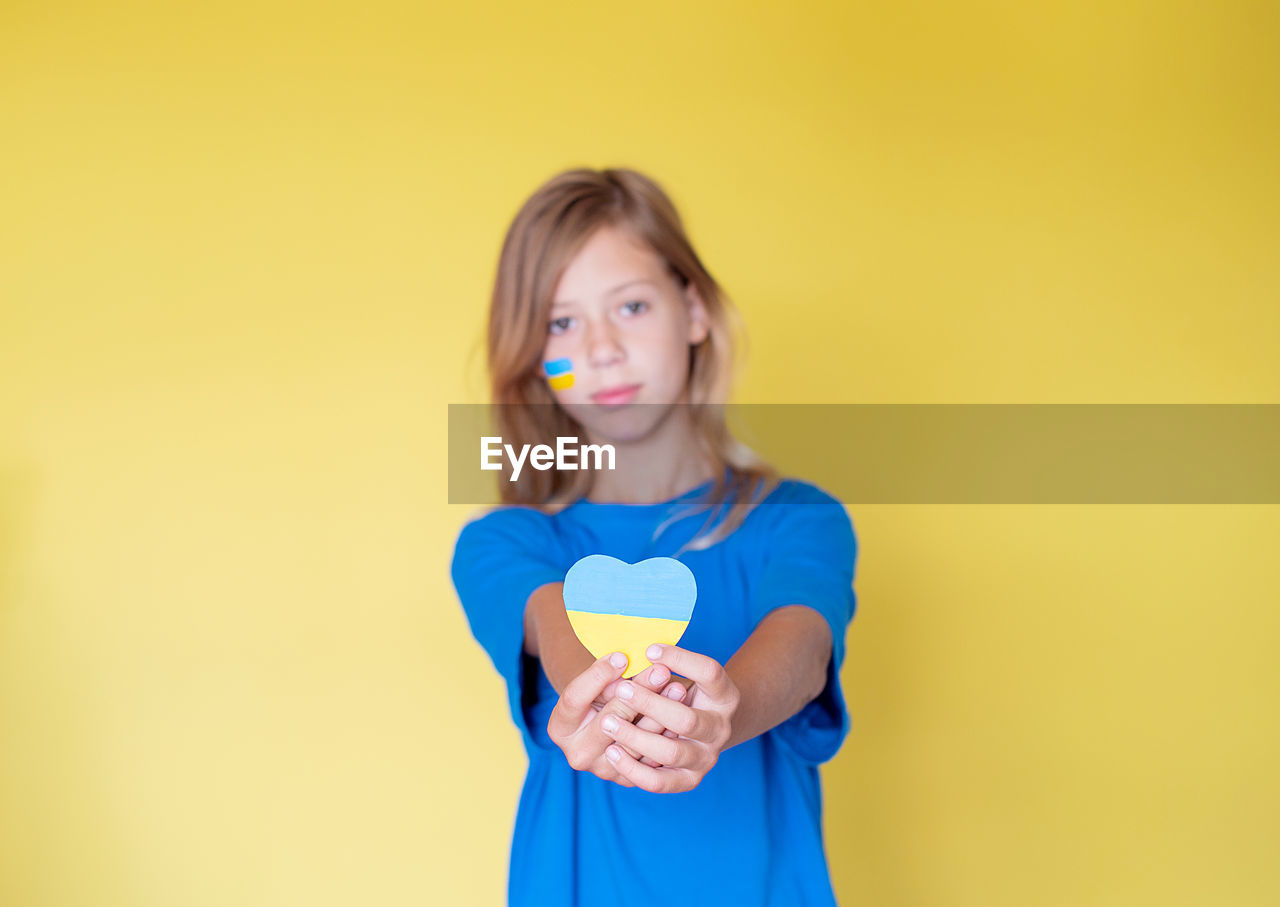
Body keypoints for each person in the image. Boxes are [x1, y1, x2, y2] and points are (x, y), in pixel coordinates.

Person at [450, 167, 859, 905]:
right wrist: (603, 704)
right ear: (537, 361)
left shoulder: (800, 519)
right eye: (560, 323)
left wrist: (717, 715)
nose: (600, 348)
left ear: (694, 309)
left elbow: (802, 644)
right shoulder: (504, 542)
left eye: (631, 305)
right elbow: (550, 615)